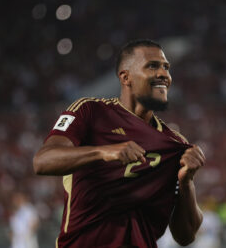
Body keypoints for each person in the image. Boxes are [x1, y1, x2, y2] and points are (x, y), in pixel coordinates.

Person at [33, 39, 205, 248]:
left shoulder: (175, 144)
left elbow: (185, 236)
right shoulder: (90, 112)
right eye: (153, 66)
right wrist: (103, 152)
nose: (164, 74)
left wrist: (186, 182)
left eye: (166, 67)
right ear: (126, 77)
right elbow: (42, 161)